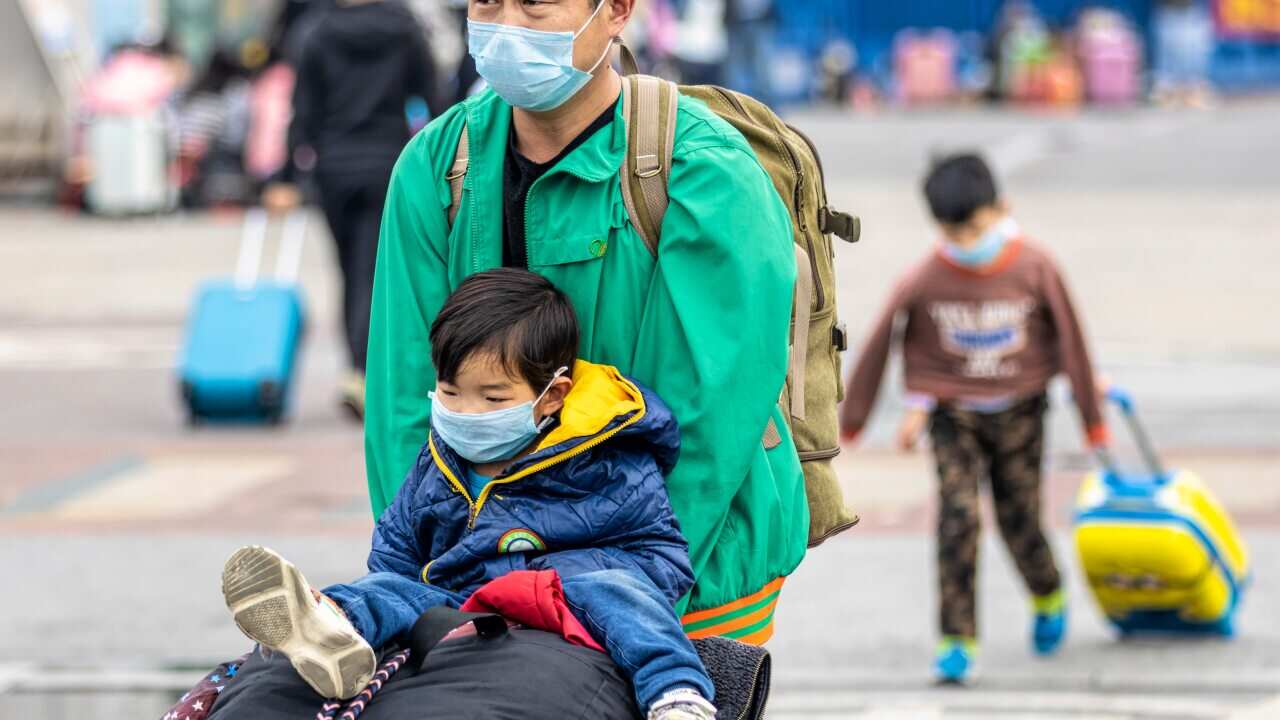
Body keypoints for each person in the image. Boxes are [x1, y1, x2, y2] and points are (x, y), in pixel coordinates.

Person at [365, 0, 804, 644]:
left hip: (690, 567)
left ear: (618, 11)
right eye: (488, 3)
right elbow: (406, 397)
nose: (507, 26)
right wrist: (428, 576)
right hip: (482, 581)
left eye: (537, 7)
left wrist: (622, 588)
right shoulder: (434, 166)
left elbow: (712, 411)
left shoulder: (702, 167)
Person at [222, 269, 717, 719]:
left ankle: (676, 695)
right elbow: (396, 551)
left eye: (494, 397)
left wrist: (557, 578)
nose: (469, 413)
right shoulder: (440, 458)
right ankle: (326, 626)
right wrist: (393, 597)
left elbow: (661, 558)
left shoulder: (605, 455)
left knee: (625, 597)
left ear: (554, 394)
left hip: (564, 593)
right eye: (452, 392)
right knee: (388, 592)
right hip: (459, 595)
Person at [839, 154, 1109, 684]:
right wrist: (864, 418)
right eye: (952, 232)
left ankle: (1046, 589)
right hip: (952, 416)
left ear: (1002, 208)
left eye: (976, 228)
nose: (966, 243)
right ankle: (956, 638)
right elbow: (887, 342)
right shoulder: (925, 277)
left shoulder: (1035, 266)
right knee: (958, 519)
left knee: (1019, 520)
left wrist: (1091, 415)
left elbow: (1072, 340)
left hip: (1021, 410)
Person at [262, 0, 441, 419]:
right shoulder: (406, 28)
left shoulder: (316, 32)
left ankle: (357, 368)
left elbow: (302, 113)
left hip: (334, 168)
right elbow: (432, 101)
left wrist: (286, 177)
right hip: (389, 163)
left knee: (350, 270)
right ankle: (365, 370)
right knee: (376, 269)